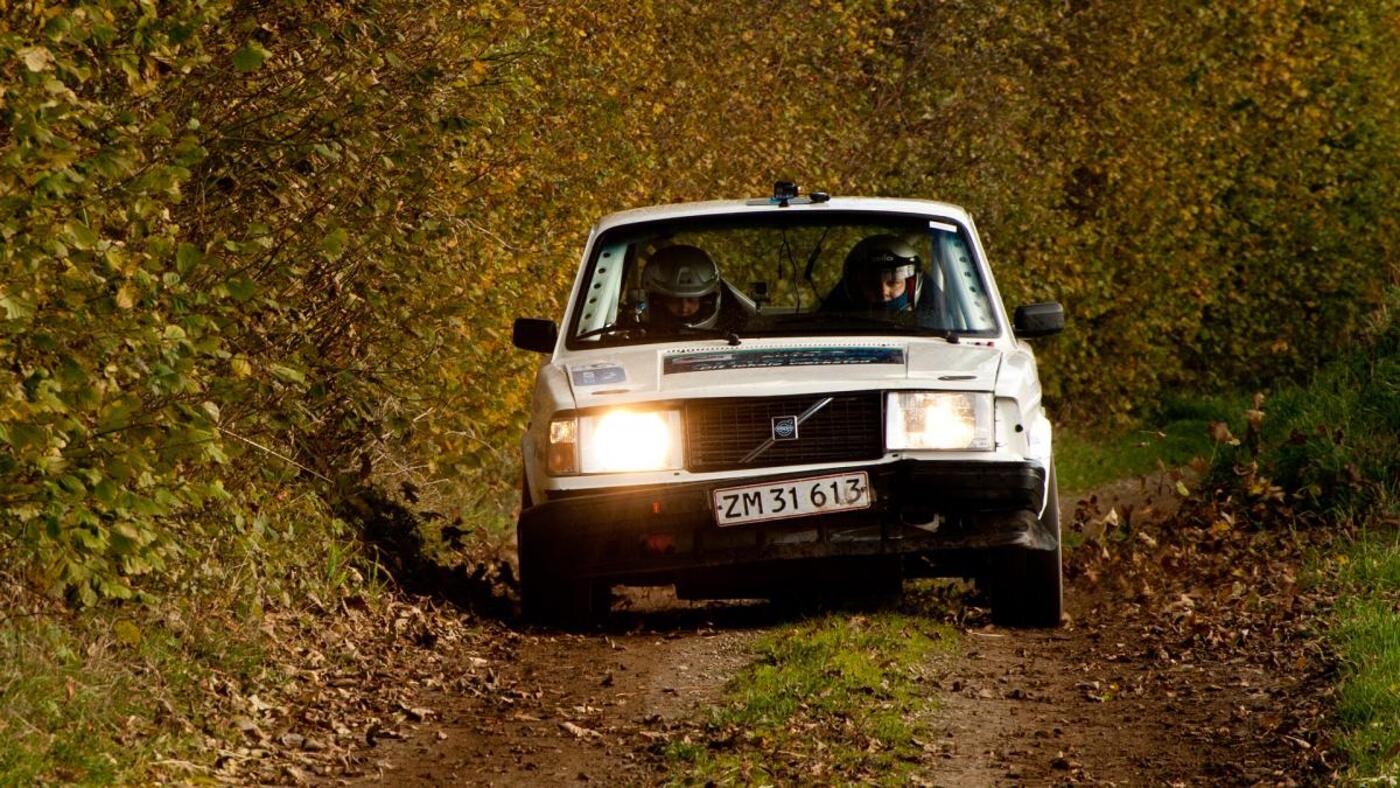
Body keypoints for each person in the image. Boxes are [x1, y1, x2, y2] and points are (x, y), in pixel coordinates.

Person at [823, 234, 939, 319]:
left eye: (893, 282)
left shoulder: (939, 324)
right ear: (856, 287)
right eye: (871, 284)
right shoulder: (831, 321)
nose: (883, 291)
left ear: (912, 285)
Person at [641, 244, 748, 332]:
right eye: (675, 300)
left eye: (691, 300)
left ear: (706, 301)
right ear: (658, 301)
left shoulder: (732, 331)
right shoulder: (638, 335)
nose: (684, 308)